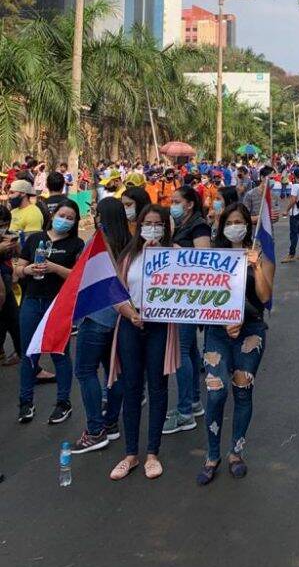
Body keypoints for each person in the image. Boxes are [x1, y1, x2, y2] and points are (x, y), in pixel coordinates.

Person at [196, 204, 274, 485]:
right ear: (222, 225)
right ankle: (212, 454)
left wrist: (256, 266)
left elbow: (265, 297)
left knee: (243, 390)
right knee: (215, 393)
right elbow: (199, 296)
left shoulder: (261, 255)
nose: (235, 226)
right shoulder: (210, 258)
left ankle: (235, 453)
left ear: (248, 225)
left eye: (240, 221)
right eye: (230, 221)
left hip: (251, 332)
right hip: (217, 333)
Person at [109, 205, 178, 480]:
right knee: (132, 387)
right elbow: (115, 292)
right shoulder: (129, 255)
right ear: (139, 226)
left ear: (165, 227)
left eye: (158, 223)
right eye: (147, 223)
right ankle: (130, 454)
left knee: (158, 387)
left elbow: (188, 290)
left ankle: (152, 452)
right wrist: (130, 314)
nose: (152, 228)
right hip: (131, 325)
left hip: (160, 327)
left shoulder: (175, 254)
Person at [71, 197, 130, 453]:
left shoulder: (95, 244)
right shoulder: (130, 244)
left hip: (95, 317)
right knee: (112, 372)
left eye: (96, 213)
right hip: (119, 318)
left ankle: (95, 430)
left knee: (85, 372)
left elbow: (80, 275)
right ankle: (111, 422)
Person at [18, 200, 83, 425]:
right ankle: (25, 402)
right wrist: (26, 269)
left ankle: (63, 402)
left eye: (70, 218)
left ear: (75, 222)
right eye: (62, 215)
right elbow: (18, 268)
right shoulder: (36, 238)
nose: (64, 220)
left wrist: (54, 268)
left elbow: (78, 277)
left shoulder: (76, 243)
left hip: (58, 305)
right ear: (53, 214)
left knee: (59, 353)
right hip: (31, 301)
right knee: (29, 353)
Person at [163, 185, 212, 435]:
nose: (172, 204)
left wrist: (177, 253)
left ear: (190, 203)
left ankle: (184, 412)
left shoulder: (199, 225)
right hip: (181, 296)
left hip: (188, 298)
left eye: (176, 200)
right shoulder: (183, 224)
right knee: (190, 349)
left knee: (181, 352)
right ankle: (193, 402)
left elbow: (204, 259)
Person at [0, 205, 21, 365]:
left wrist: (14, 246)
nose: (3, 228)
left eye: (6, 224)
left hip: (6, 277)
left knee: (12, 317)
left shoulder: (7, 235)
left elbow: (18, 255)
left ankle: (21, 352)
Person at [282, 167, 299, 263]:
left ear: (294, 176)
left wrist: (286, 210)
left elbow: (293, 200)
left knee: (293, 234)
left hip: (295, 213)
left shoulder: (295, 186)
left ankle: (291, 254)